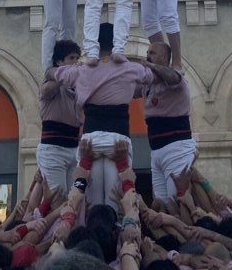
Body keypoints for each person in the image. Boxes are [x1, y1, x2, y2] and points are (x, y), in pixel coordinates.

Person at [48, 22, 154, 207]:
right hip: (118, 138)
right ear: (116, 43)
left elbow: (53, 73)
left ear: (95, 43)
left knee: (92, 203)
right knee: (117, 201)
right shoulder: (130, 68)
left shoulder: (81, 70)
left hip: (91, 139)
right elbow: (153, 77)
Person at [143, 40, 194, 200]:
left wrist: (151, 67)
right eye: (147, 53)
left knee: (178, 200)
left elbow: (173, 77)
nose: (148, 56)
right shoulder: (149, 84)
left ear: (165, 57)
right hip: (156, 150)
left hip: (176, 147)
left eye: (152, 53)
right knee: (162, 204)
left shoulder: (176, 78)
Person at [37, 39, 83, 193]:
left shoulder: (76, 87)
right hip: (54, 149)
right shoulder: (51, 84)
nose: (76, 62)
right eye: (71, 58)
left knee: (74, 198)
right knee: (57, 198)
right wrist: (61, 74)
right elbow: (46, 92)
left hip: (73, 148)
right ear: (59, 61)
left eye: (77, 58)